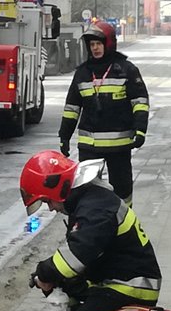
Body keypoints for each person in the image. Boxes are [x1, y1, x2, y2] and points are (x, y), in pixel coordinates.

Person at [19, 150, 162, 311]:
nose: (51, 208)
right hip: (113, 278)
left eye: (47, 201)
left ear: (58, 187)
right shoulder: (88, 200)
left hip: (132, 288)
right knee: (62, 291)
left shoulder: (96, 208)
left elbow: (75, 258)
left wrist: (44, 272)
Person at [59, 21, 149, 206]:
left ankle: (125, 224)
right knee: (88, 190)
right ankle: (90, 225)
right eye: (92, 45)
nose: (95, 48)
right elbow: (72, 108)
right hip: (89, 147)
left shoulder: (126, 70)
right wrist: (64, 136)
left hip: (119, 146)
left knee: (122, 190)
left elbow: (140, 102)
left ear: (108, 43)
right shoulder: (83, 73)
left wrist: (140, 130)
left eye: (98, 44)